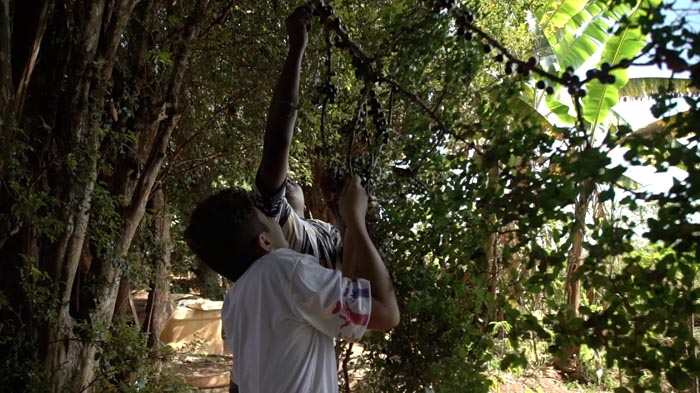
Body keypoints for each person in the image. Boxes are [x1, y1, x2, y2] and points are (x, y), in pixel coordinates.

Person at [184, 175, 400, 391]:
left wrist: (349, 225)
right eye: (271, 221)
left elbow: (238, 385)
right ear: (265, 242)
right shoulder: (283, 268)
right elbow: (387, 315)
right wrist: (356, 220)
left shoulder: (234, 302)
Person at [253, 4, 343, 270]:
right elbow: (278, 143)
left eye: (291, 179)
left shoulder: (324, 230)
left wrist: (340, 212)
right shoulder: (273, 220)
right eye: (284, 179)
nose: (288, 179)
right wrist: (296, 50)